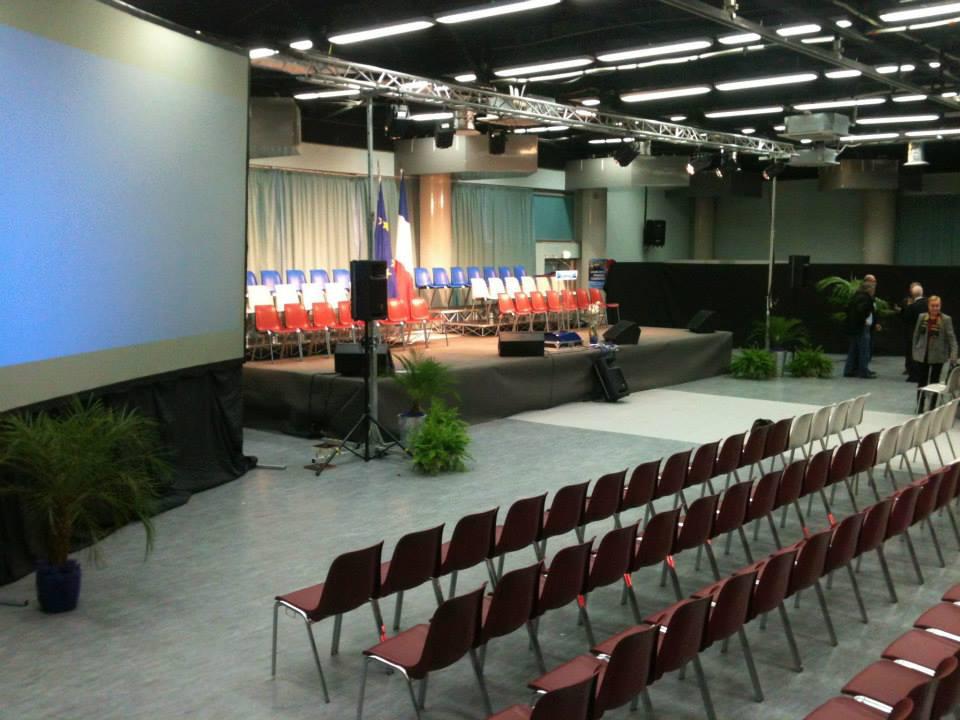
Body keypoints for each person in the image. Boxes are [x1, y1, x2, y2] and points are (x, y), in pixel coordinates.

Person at [912, 295, 957, 392]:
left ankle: (933, 401)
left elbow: (952, 338)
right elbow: (916, 335)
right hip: (922, 354)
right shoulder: (922, 317)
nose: (935, 308)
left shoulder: (946, 319)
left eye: (937, 306)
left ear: (940, 306)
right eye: (933, 306)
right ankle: (921, 401)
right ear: (928, 306)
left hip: (938, 355)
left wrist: (954, 354)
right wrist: (915, 350)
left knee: (934, 382)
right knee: (922, 380)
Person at [844, 280, 878, 379]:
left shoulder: (855, 297)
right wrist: (864, 320)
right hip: (862, 327)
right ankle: (863, 371)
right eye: (873, 289)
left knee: (853, 349)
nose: (874, 291)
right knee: (864, 350)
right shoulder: (865, 298)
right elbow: (861, 311)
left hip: (854, 327)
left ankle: (849, 370)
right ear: (869, 289)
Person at [901, 282, 927, 379]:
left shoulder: (912, 306)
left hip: (913, 333)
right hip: (925, 332)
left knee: (913, 354)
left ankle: (914, 374)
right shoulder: (928, 304)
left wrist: (907, 307)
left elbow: (906, 318)